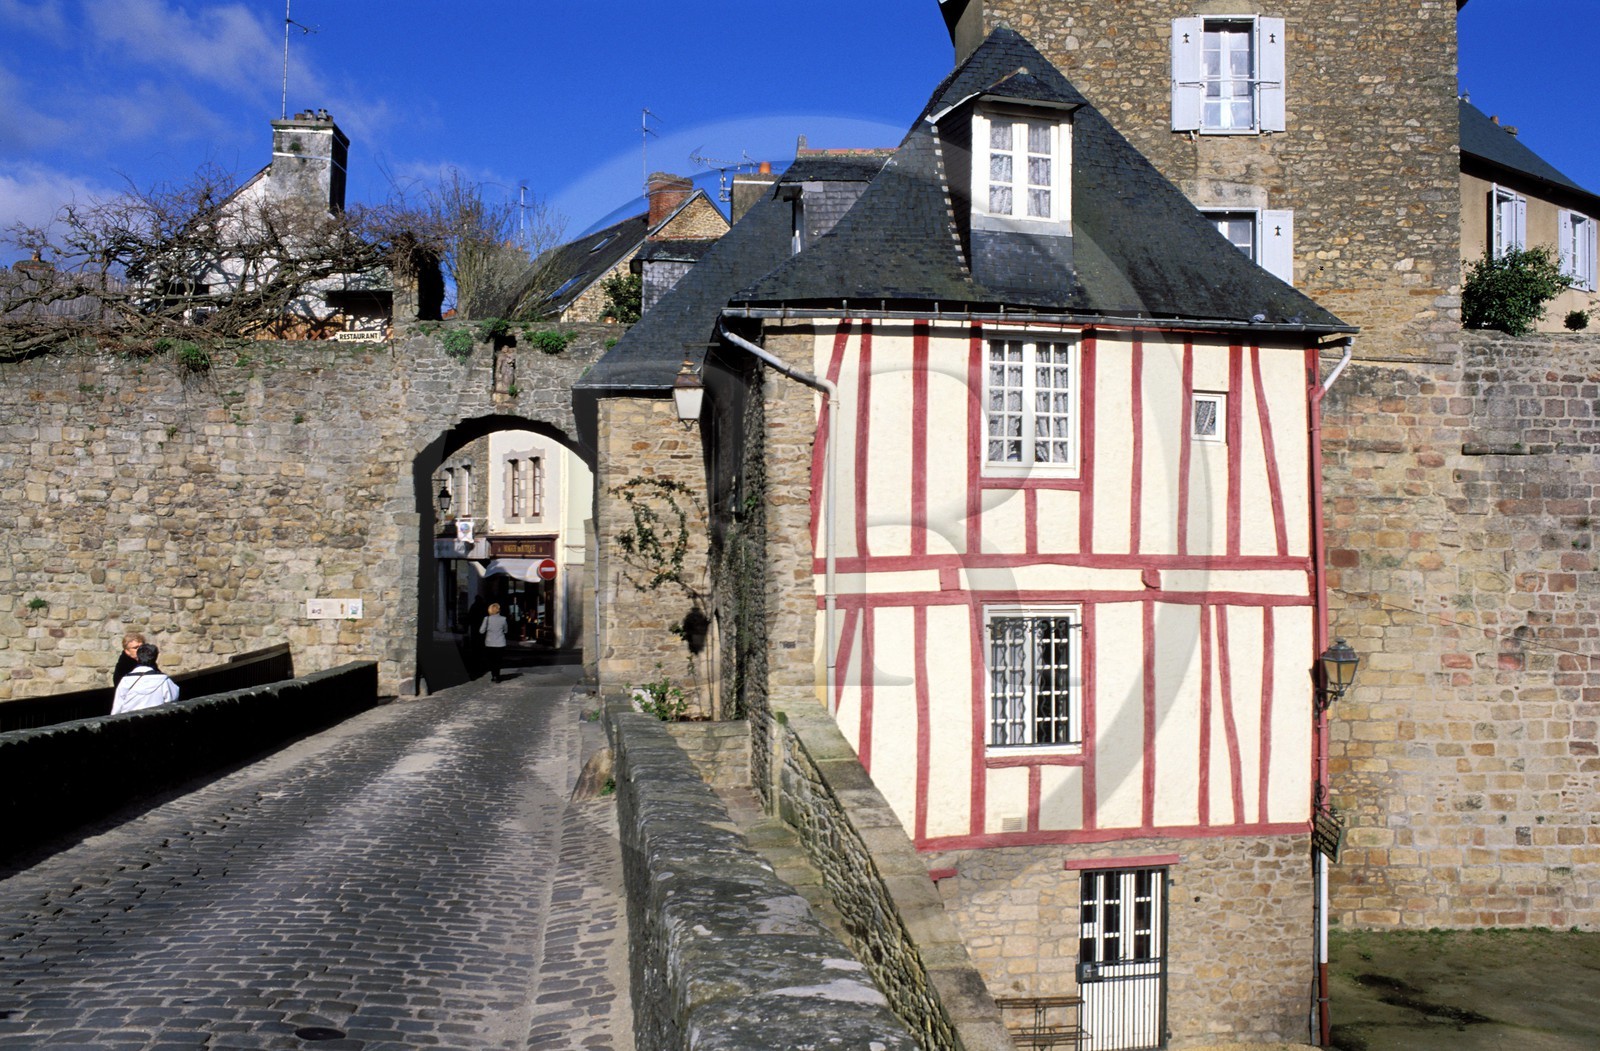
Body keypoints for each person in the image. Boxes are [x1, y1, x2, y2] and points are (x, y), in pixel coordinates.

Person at [112, 643, 179, 713]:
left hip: (130, 721)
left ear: (138, 657)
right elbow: (172, 703)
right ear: (155, 658)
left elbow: (117, 708)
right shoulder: (164, 681)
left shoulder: (125, 681)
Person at [480, 602, 509, 683]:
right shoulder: (503, 619)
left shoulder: (487, 619)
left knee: (491, 660)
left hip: (490, 643)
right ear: (498, 610)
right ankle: (497, 676)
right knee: (498, 660)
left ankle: (494, 675)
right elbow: (506, 631)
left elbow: (481, 631)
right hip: (500, 643)